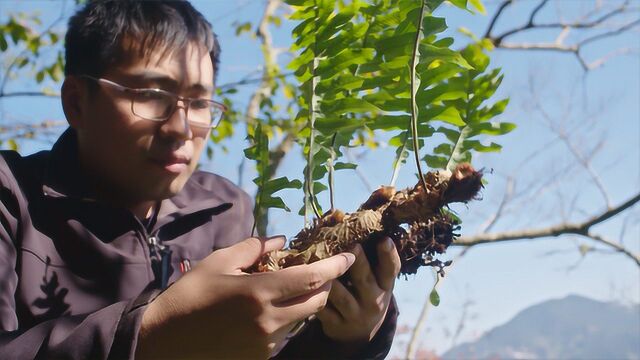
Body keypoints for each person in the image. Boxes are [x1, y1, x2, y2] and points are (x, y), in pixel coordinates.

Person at [0, 1, 400, 359]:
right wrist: (153, 334)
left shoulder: (224, 212)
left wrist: (342, 340)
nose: (181, 127)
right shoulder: (13, 198)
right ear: (76, 102)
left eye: (199, 102)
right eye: (152, 95)